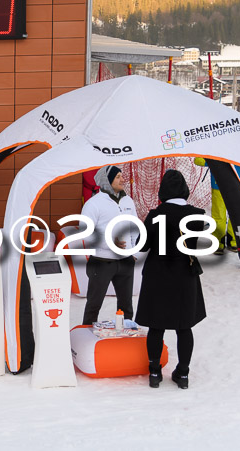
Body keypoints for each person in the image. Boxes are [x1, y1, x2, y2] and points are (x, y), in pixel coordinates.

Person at [135, 170, 206, 390]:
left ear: (163, 190)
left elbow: (142, 246)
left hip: (158, 275)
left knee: (156, 327)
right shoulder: (198, 215)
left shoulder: (155, 215)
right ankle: (183, 374)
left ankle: (155, 372)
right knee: (184, 327)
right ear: (184, 188)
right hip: (185, 275)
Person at [80, 165, 139, 325]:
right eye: (118, 176)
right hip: (101, 262)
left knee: (127, 306)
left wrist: (134, 251)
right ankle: (87, 340)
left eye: (122, 175)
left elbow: (134, 226)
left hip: (126, 261)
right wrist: (110, 243)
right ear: (107, 180)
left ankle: (126, 338)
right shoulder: (93, 204)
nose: (123, 179)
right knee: (94, 305)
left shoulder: (128, 201)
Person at [194, 157, 240, 254]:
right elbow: (198, 160)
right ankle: (218, 242)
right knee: (218, 215)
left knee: (236, 214)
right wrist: (212, 161)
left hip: (238, 183)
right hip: (219, 184)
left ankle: (234, 240)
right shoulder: (215, 145)